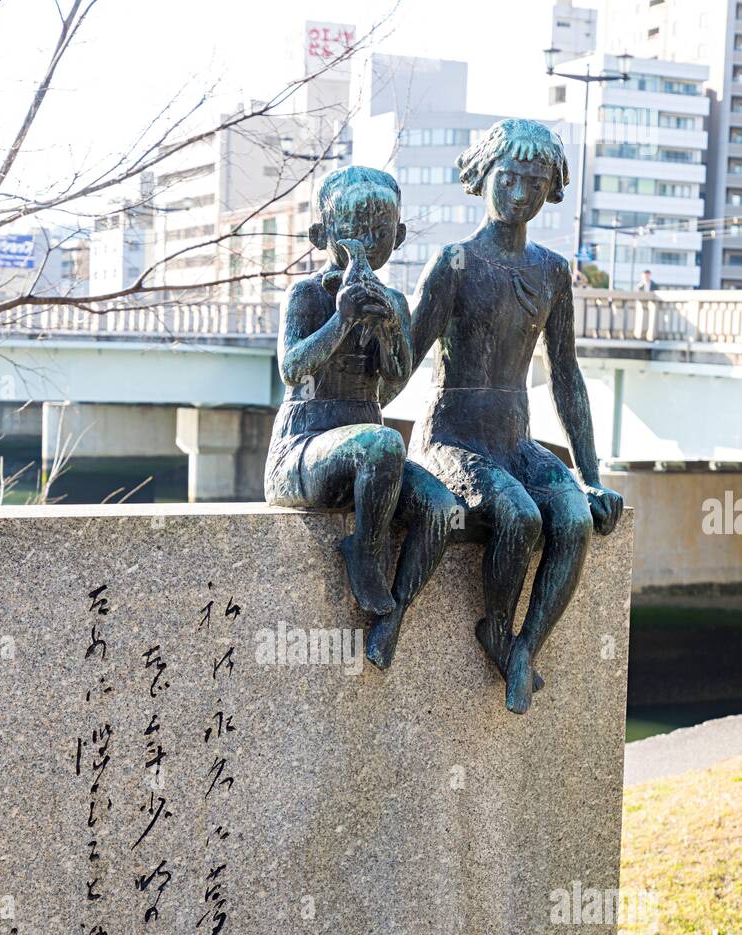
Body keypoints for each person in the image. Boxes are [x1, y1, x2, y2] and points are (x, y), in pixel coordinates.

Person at [399, 118, 624, 713]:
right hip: (452, 438)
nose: (520, 194)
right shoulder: (455, 265)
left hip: (514, 440)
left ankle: (523, 647)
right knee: (520, 518)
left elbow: (567, 376)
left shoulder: (550, 272)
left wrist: (591, 474)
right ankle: (496, 627)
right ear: (482, 176)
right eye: (509, 178)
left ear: (550, 188)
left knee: (573, 518)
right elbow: (403, 362)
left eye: (535, 182)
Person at [265, 165, 462, 648]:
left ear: (397, 236)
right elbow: (293, 370)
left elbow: (393, 382)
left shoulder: (394, 299)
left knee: (439, 508)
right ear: (322, 235)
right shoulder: (308, 294)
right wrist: (341, 320)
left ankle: (394, 616)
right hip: (303, 451)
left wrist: (392, 329)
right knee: (382, 442)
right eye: (353, 231)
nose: (367, 242)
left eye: (379, 232)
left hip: (371, 457)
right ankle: (366, 550)